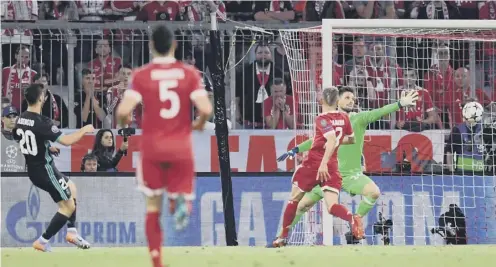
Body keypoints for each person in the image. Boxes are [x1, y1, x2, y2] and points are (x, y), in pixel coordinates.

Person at [115, 25, 212, 267]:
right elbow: (207, 109)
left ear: (150, 46)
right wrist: (198, 123)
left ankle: (157, 260)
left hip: (152, 148)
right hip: (180, 146)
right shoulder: (188, 73)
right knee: (179, 190)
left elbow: (123, 111)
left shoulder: (141, 75)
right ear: (174, 45)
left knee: (151, 206)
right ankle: (181, 200)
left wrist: (124, 121)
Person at [275, 87, 419, 243]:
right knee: (300, 206)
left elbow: (380, 111)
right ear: (338, 101)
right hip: (328, 174)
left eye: (353, 98)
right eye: (347, 97)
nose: (352, 100)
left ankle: (355, 221)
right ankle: (280, 238)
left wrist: (399, 104)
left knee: (374, 192)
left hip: (351, 175)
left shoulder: (359, 118)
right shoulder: (329, 120)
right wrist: (296, 149)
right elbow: (315, 141)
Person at [272, 86, 362, 248]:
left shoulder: (321, 119)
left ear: (322, 101)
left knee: (294, 200)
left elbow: (332, 140)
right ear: (336, 101)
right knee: (332, 205)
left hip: (314, 164)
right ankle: (351, 218)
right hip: (333, 165)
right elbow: (351, 139)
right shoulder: (344, 118)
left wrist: (322, 164)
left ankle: (282, 237)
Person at [13, 83, 95, 252]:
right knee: (68, 206)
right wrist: (85, 129)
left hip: (35, 169)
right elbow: (67, 141)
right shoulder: (42, 122)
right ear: (42, 98)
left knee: (71, 187)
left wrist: (46, 147)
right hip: (45, 170)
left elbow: (20, 138)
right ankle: (43, 241)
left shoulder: (21, 119)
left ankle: (72, 232)